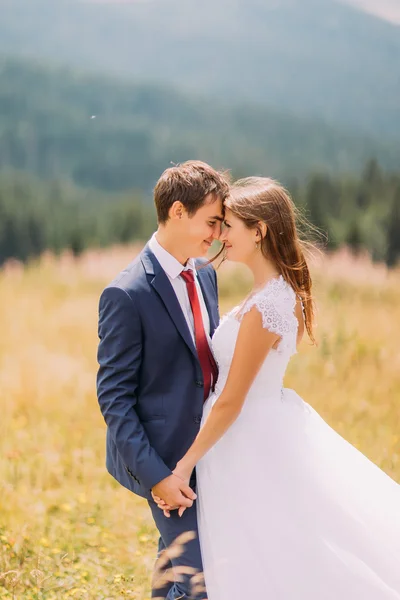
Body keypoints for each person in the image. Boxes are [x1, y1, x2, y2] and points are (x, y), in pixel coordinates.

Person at [155, 177, 400, 599]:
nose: (220, 236)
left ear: (259, 230)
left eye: (229, 226)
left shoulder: (267, 305)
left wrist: (182, 465)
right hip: (245, 435)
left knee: (270, 549)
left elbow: (233, 400)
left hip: (247, 437)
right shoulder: (266, 294)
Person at [96, 160, 229, 599]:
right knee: (201, 585)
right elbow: (114, 398)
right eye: (211, 222)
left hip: (205, 455)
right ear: (176, 211)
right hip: (164, 462)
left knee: (174, 578)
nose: (217, 235)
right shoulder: (125, 293)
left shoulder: (205, 274)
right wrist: (158, 478)